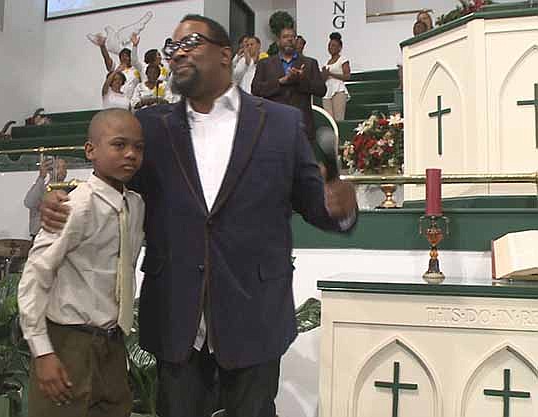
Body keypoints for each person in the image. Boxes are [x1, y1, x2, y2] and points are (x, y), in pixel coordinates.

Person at [41, 14, 357, 417]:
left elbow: (315, 203)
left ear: (226, 55)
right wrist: (61, 197)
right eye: (172, 48)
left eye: (189, 43)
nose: (177, 54)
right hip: (176, 315)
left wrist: (338, 209)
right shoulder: (150, 128)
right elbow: (113, 184)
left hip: (255, 313)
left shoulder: (281, 123)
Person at [19, 109, 145, 417]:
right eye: (118, 145)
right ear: (91, 150)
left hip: (112, 344)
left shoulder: (136, 205)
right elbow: (36, 275)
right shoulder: (74, 205)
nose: (130, 154)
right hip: (69, 344)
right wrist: (43, 352)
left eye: (138, 147)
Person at [252, 26, 327, 145]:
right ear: (278, 41)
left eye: (292, 37)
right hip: (274, 125)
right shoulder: (265, 64)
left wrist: (302, 80)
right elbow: (255, 89)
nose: (289, 39)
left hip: (302, 127)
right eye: (285, 37)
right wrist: (280, 81)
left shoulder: (309, 63)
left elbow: (322, 90)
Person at [23, 158, 67, 240]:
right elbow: (29, 203)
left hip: (61, 239)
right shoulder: (41, 189)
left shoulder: (69, 191)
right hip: (40, 238)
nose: (62, 171)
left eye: (64, 167)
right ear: (50, 171)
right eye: (57, 167)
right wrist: (41, 177)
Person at [93, 34, 142, 100]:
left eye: (127, 56)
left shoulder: (137, 68)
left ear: (131, 57)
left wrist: (135, 46)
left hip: (132, 102)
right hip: (117, 100)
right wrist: (102, 46)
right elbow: (107, 59)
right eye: (122, 56)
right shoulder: (116, 68)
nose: (124, 58)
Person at [321, 32, 351, 121]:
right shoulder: (326, 62)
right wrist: (324, 75)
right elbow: (324, 78)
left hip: (338, 90)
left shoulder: (343, 60)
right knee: (329, 119)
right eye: (329, 45)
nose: (331, 47)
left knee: (339, 118)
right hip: (327, 91)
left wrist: (331, 74)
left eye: (334, 45)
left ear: (339, 47)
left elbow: (347, 76)